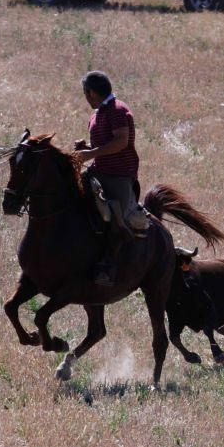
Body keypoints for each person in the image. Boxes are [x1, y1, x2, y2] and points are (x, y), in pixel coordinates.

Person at [74, 71, 148, 286]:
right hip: (99, 171)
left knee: (117, 217)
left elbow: (121, 142)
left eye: (85, 93)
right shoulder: (99, 113)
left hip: (119, 176)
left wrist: (90, 154)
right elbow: (106, 145)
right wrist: (87, 148)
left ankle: (109, 264)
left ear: (91, 92)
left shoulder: (117, 110)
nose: (85, 97)